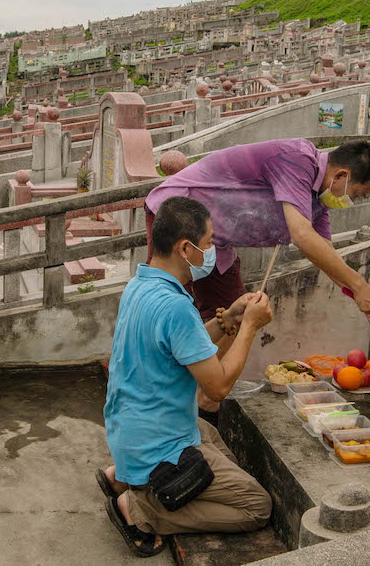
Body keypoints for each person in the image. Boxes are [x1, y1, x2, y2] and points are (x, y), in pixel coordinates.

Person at [144, 138, 370, 414]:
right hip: (179, 217)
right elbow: (302, 236)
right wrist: (361, 287)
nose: (352, 202)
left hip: (217, 241)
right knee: (164, 308)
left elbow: (326, 255)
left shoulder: (317, 200)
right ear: (341, 175)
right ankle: (156, 392)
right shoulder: (297, 159)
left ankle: (205, 402)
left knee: (233, 314)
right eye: (357, 195)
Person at [99, 196, 274, 557]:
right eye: (208, 244)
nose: (211, 252)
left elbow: (184, 343)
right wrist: (249, 328)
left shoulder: (142, 285)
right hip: (156, 447)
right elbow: (219, 385)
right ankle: (142, 508)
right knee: (257, 506)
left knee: (206, 432)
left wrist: (230, 318)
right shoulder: (177, 306)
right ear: (185, 248)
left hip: (131, 431)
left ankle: (122, 475)